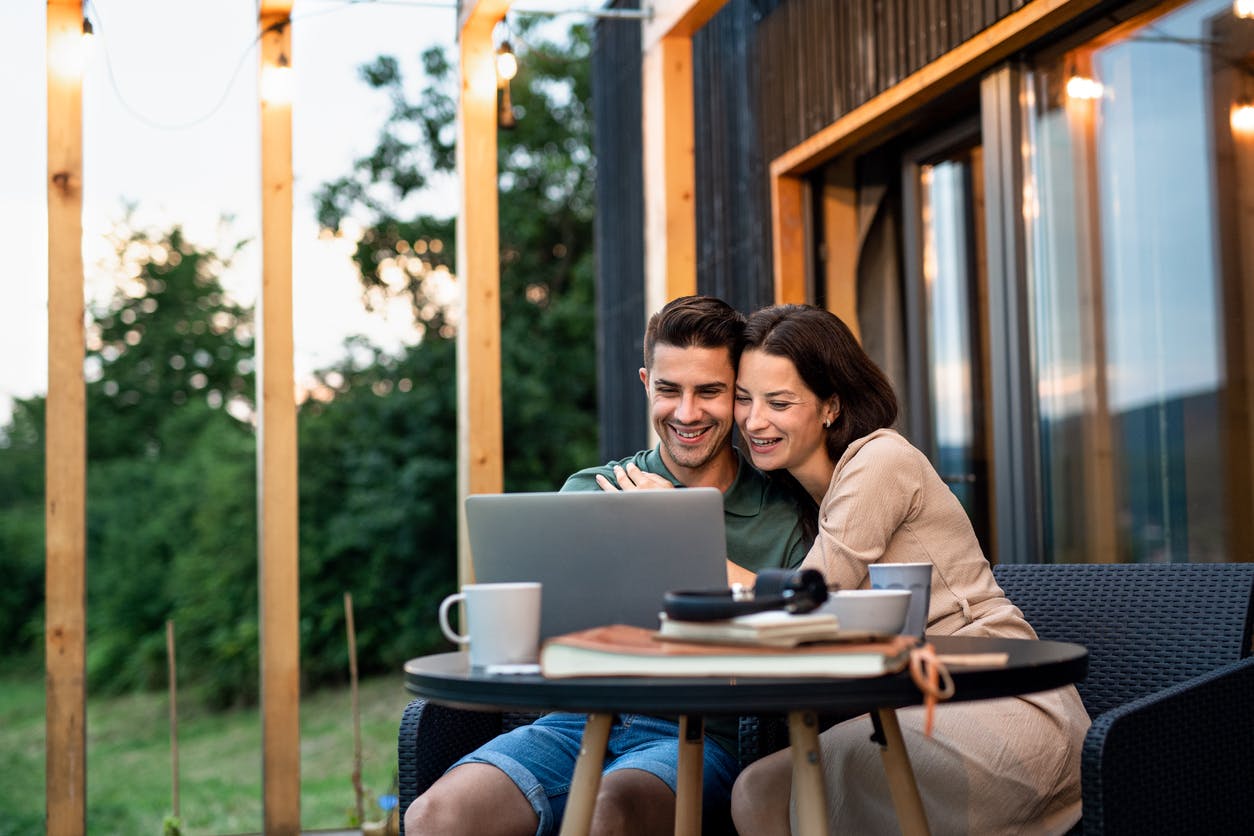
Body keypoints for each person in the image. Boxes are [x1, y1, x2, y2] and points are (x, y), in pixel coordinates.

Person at [404, 295, 810, 836]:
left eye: (709, 392)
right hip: (573, 724)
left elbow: (802, 640)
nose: (686, 413)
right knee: (433, 817)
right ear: (646, 383)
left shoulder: (783, 514)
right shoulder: (587, 491)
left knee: (607, 811)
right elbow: (539, 643)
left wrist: (673, 528)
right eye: (669, 390)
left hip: (701, 739)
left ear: (737, 395)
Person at [727, 304, 1090, 835]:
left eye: (778, 402)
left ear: (830, 406)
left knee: (777, 790)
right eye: (743, 398)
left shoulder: (880, 459)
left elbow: (804, 599)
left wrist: (672, 542)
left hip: (1001, 703)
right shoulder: (812, 500)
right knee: (760, 788)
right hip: (917, 701)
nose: (753, 421)